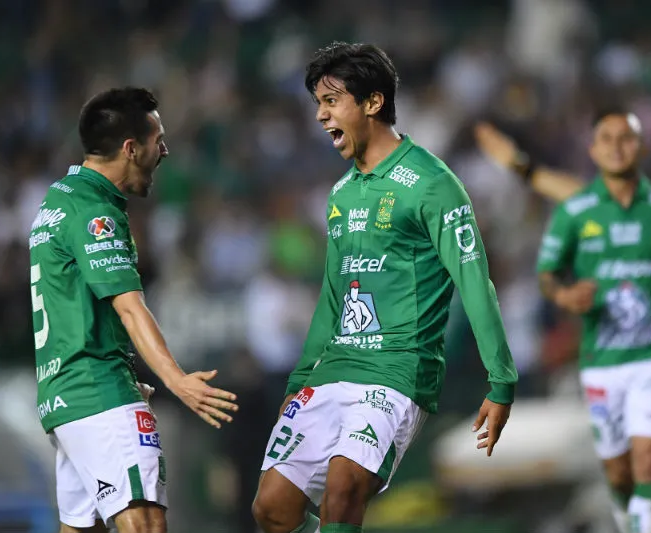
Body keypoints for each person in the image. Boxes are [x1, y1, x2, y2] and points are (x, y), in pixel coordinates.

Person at [251, 42, 519, 533]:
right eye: (317, 103)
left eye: (331, 101)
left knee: (344, 486)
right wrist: (297, 383)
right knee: (272, 507)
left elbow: (474, 281)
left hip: (397, 368)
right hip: (333, 367)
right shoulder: (340, 193)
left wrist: (501, 379)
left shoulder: (433, 184)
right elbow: (333, 296)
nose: (319, 115)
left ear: (373, 102)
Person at [476, 122, 651, 533]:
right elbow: (572, 192)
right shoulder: (642, 208)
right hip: (628, 356)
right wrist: (521, 165)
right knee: (631, 471)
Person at [28, 87, 238, 533]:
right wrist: (176, 379)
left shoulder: (57, 200)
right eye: (157, 139)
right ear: (130, 148)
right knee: (145, 525)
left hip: (64, 397)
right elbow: (129, 307)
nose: (165, 150)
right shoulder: (94, 213)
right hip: (97, 392)